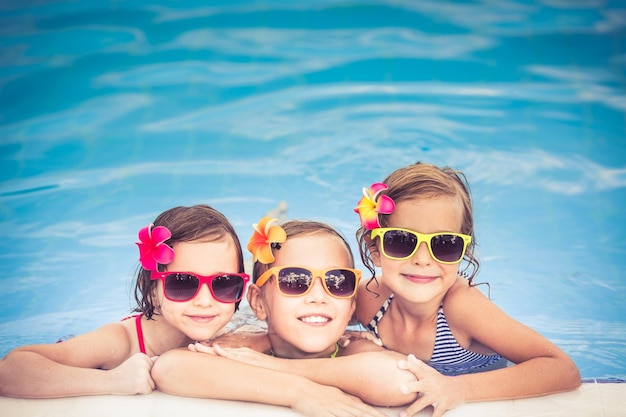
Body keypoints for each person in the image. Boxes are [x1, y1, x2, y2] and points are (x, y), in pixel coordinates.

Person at [353, 162, 581, 417]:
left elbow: (562, 369)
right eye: (401, 241)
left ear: (464, 252)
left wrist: (460, 388)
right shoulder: (370, 298)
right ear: (374, 249)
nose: (423, 260)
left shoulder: (461, 308)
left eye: (444, 244)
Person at [152, 217, 417, 414]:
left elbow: (403, 380)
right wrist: (297, 392)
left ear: (351, 306)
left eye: (337, 282)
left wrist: (273, 366)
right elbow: (170, 367)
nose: (318, 296)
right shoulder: (245, 343)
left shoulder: (350, 347)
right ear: (259, 302)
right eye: (294, 281)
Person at [0, 204, 250, 398]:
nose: (205, 301)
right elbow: (9, 371)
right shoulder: (120, 342)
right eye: (182, 282)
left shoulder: (227, 331)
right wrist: (113, 381)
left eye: (224, 283)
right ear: (151, 289)